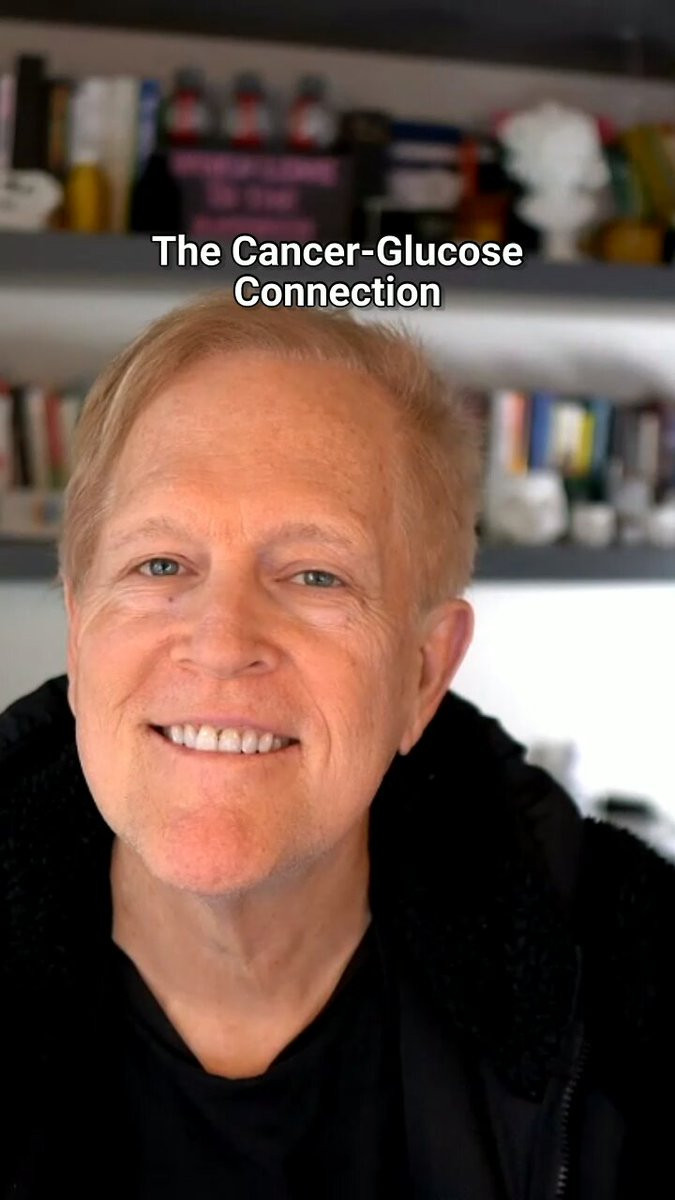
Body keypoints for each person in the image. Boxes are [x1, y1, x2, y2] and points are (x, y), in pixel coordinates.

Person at [1, 295, 674, 1200]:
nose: (221, 641)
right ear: (81, 641)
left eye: (315, 575)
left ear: (422, 673)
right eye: (160, 563)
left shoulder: (634, 997)